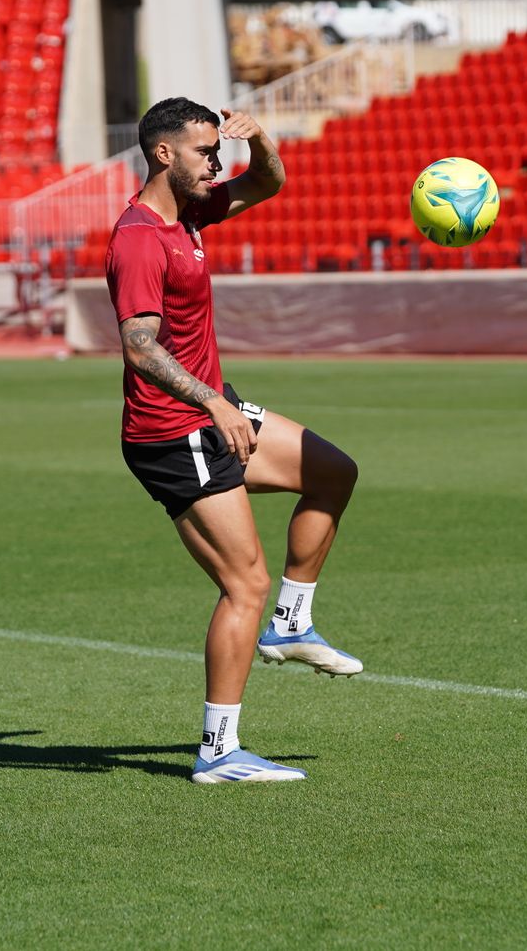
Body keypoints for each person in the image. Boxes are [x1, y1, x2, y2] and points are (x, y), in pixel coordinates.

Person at [105, 97, 363, 785]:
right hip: (172, 431)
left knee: (333, 472)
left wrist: (260, 142)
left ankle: (292, 622)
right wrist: (215, 402)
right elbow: (138, 347)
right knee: (241, 583)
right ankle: (219, 752)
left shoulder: (189, 212)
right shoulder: (138, 238)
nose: (216, 163)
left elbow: (266, 183)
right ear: (163, 154)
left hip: (212, 412)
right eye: (204, 152)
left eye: (217, 152)